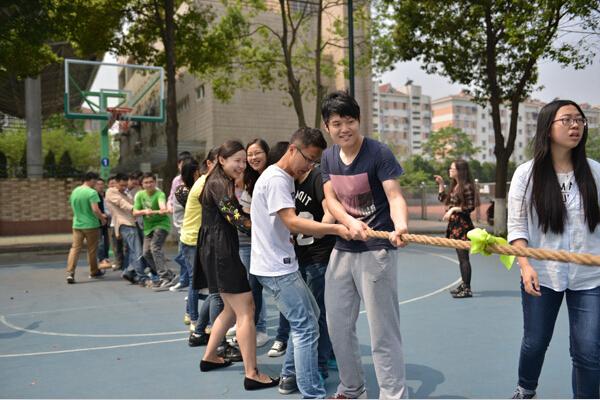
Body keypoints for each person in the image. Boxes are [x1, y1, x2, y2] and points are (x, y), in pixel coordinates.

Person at [508, 100, 600, 399]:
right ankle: (526, 388)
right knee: (535, 342)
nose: (576, 126)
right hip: (542, 274)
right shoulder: (527, 174)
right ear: (548, 128)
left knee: (588, 350)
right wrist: (525, 266)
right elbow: (517, 227)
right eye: (567, 120)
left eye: (580, 120)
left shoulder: (596, 172)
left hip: (590, 278)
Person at [320, 90, 409, 399]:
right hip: (343, 249)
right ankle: (352, 388)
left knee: (382, 330)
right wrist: (349, 222)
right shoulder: (328, 157)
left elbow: (395, 196)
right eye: (336, 123)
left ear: (358, 121)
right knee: (337, 325)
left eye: (350, 121)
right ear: (327, 127)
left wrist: (400, 225)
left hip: (376, 250)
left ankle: (393, 394)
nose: (344, 129)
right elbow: (331, 199)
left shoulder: (378, 153)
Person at [250, 128, 351, 398]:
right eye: (308, 159)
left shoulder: (282, 177)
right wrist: (336, 229)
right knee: (306, 327)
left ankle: (289, 375)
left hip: (282, 264)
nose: (310, 166)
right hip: (276, 268)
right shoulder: (277, 179)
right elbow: (292, 222)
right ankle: (312, 392)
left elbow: (285, 226)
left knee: (310, 317)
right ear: (293, 150)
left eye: (314, 162)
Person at [194, 140, 278, 391]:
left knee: (230, 310)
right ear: (222, 160)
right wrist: (272, 229)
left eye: (244, 161)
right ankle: (252, 373)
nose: (242, 165)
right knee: (246, 309)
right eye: (237, 160)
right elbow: (236, 217)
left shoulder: (216, 180)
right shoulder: (219, 183)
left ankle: (210, 356)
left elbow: (234, 213)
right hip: (221, 250)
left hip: (214, 248)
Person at [293, 164, 336, 380]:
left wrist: (322, 229)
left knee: (318, 312)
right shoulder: (289, 180)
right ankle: (329, 354)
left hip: (318, 257)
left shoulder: (317, 177)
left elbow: (330, 210)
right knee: (309, 312)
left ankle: (320, 365)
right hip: (299, 256)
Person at [234, 138, 270, 347]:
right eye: (250, 155)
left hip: (265, 243)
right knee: (251, 287)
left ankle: (262, 329)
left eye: (257, 153)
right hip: (249, 241)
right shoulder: (250, 179)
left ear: (267, 153)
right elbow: (246, 212)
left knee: (258, 287)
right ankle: (250, 326)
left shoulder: (272, 176)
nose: (253, 158)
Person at [434, 159, 477, 298]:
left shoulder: (467, 187)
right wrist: (441, 184)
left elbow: (470, 207)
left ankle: (467, 288)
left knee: (464, 258)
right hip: (455, 226)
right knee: (461, 257)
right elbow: (443, 199)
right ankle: (464, 284)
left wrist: (453, 210)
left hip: (462, 227)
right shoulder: (456, 186)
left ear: (459, 171)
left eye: (452, 168)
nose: (450, 170)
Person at [133, 173, 176, 289]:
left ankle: (164, 277)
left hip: (161, 225)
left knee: (155, 247)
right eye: (146, 182)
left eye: (151, 182)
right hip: (148, 228)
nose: (149, 185)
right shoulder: (140, 195)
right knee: (146, 253)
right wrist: (144, 211)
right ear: (142, 184)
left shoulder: (159, 194)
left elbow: (162, 205)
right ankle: (168, 274)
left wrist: (162, 209)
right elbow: (135, 212)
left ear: (155, 183)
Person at [105, 173, 147, 285]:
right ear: (116, 182)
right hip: (124, 224)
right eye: (121, 185)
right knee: (137, 250)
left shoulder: (125, 193)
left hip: (133, 223)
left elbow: (134, 204)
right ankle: (142, 277)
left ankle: (129, 271)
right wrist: (134, 209)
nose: (124, 187)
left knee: (136, 250)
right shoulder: (111, 191)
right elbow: (122, 203)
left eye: (125, 185)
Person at [65, 171, 107, 284]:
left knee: (75, 249)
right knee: (92, 250)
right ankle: (94, 271)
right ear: (91, 180)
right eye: (95, 181)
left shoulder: (75, 191)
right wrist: (102, 219)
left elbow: (73, 206)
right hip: (91, 225)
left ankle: (70, 273)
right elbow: (95, 210)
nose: (96, 183)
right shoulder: (92, 192)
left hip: (77, 224)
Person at [169, 151, 193, 291]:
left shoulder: (195, 183)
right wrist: (168, 205)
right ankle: (186, 280)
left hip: (189, 225)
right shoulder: (177, 181)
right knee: (183, 254)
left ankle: (187, 280)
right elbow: (172, 197)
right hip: (180, 223)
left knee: (183, 253)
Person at [94, 178, 112, 269]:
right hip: (98, 221)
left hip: (107, 220)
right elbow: (95, 209)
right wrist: (101, 215)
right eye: (98, 184)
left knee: (106, 240)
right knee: (100, 241)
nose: (100, 186)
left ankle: (106, 257)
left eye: (102, 184)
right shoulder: (94, 195)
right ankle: (101, 259)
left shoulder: (105, 194)